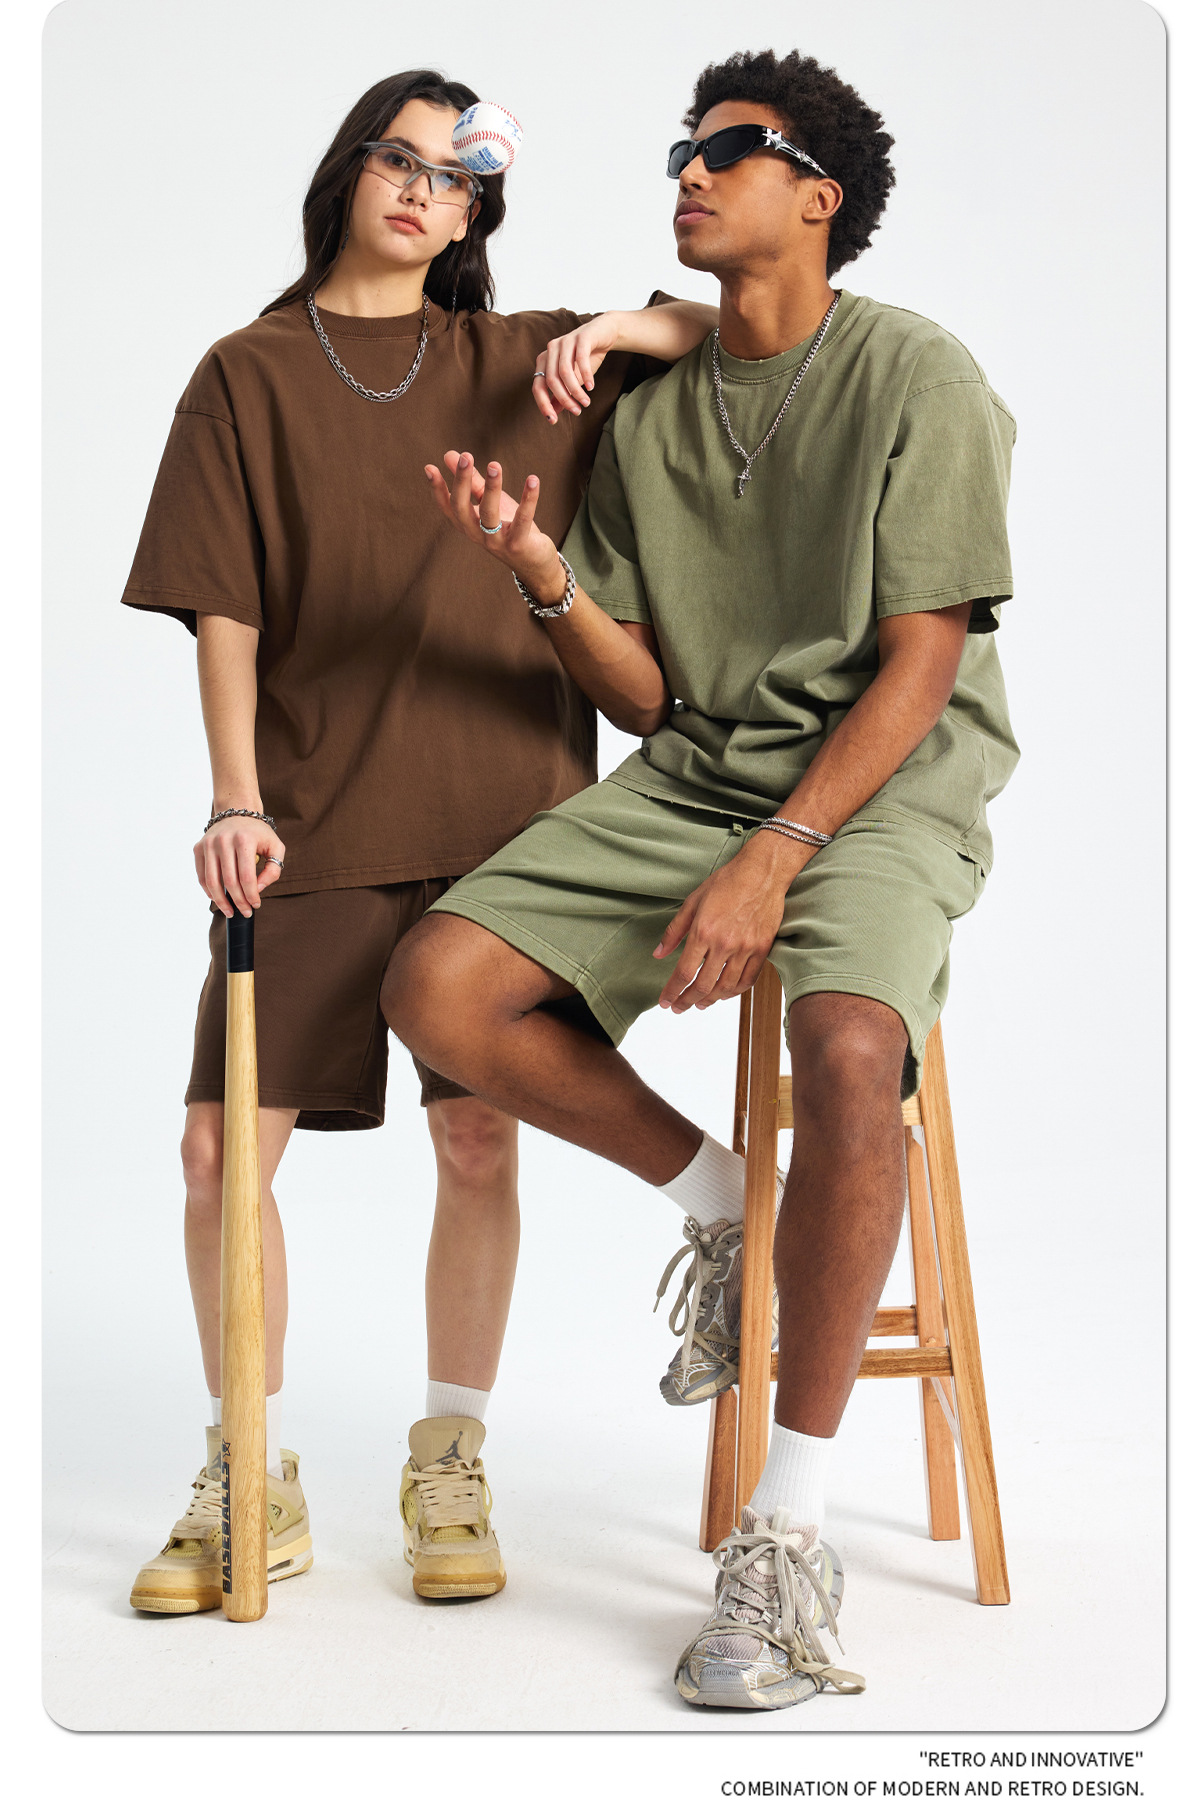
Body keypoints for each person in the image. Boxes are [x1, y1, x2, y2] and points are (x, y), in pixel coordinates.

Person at [384, 47, 1019, 1709]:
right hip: (703, 771)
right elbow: (649, 696)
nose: (689, 168)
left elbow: (923, 661)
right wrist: (540, 573)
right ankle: (732, 1208)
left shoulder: (920, 374)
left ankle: (786, 1540)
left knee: (853, 1047)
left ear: (818, 197)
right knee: (440, 983)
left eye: (732, 148)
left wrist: (778, 862)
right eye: (683, 145)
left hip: (883, 783)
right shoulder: (651, 410)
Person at [119, 67, 717, 1616]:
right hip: (313, 810)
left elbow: (735, 331)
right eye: (399, 157)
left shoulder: (524, 361)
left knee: (476, 1139)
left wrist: (620, 328)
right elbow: (225, 606)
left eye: (455, 176)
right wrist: (234, 794)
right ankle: (247, 1470)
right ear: (350, 171)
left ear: (472, 216)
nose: (420, 189)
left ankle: (451, 1454)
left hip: (508, 820)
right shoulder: (246, 373)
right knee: (216, 1152)